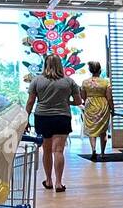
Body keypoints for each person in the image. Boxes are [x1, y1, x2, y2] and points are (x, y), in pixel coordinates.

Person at [25, 54, 82, 193]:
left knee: (46, 150)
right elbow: (79, 102)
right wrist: (66, 102)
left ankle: (48, 180)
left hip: (42, 117)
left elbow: (31, 101)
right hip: (62, 117)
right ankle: (58, 183)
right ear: (60, 65)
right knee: (58, 151)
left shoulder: (37, 81)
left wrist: (25, 118)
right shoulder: (69, 82)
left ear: (45, 64)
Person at [80, 61, 114, 159]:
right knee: (103, 130)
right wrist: (112, 108)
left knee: (92, 129)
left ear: (90, 70)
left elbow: (83, 96)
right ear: (100, 70)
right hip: (103, 105)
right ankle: (103, 153)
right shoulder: (106, 82)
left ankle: (93, 150)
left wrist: (88, 100)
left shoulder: (85, 82)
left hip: (90, 104)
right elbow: (109, 97)